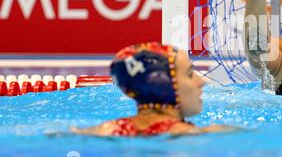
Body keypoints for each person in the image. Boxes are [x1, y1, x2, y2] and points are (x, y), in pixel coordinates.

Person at [72, 42, 233, 136]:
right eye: (190, 74)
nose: (201, 82)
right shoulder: (198, 135)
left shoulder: (104, 131)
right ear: (162, 86)